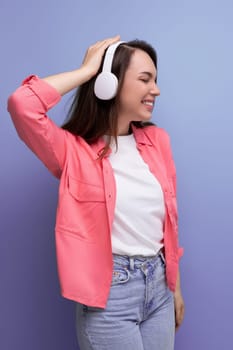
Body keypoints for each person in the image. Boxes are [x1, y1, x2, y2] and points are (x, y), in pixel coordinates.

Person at [8, 35, 184, 350]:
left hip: (159, 288)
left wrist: (175, 288)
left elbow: (169, 222)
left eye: (155, 80)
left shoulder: (159, 142)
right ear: (110, 85)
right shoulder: (71, 151)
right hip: (110, 296)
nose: (155, 90)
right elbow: (22, 104)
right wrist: (87, 71)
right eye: (145, 79)